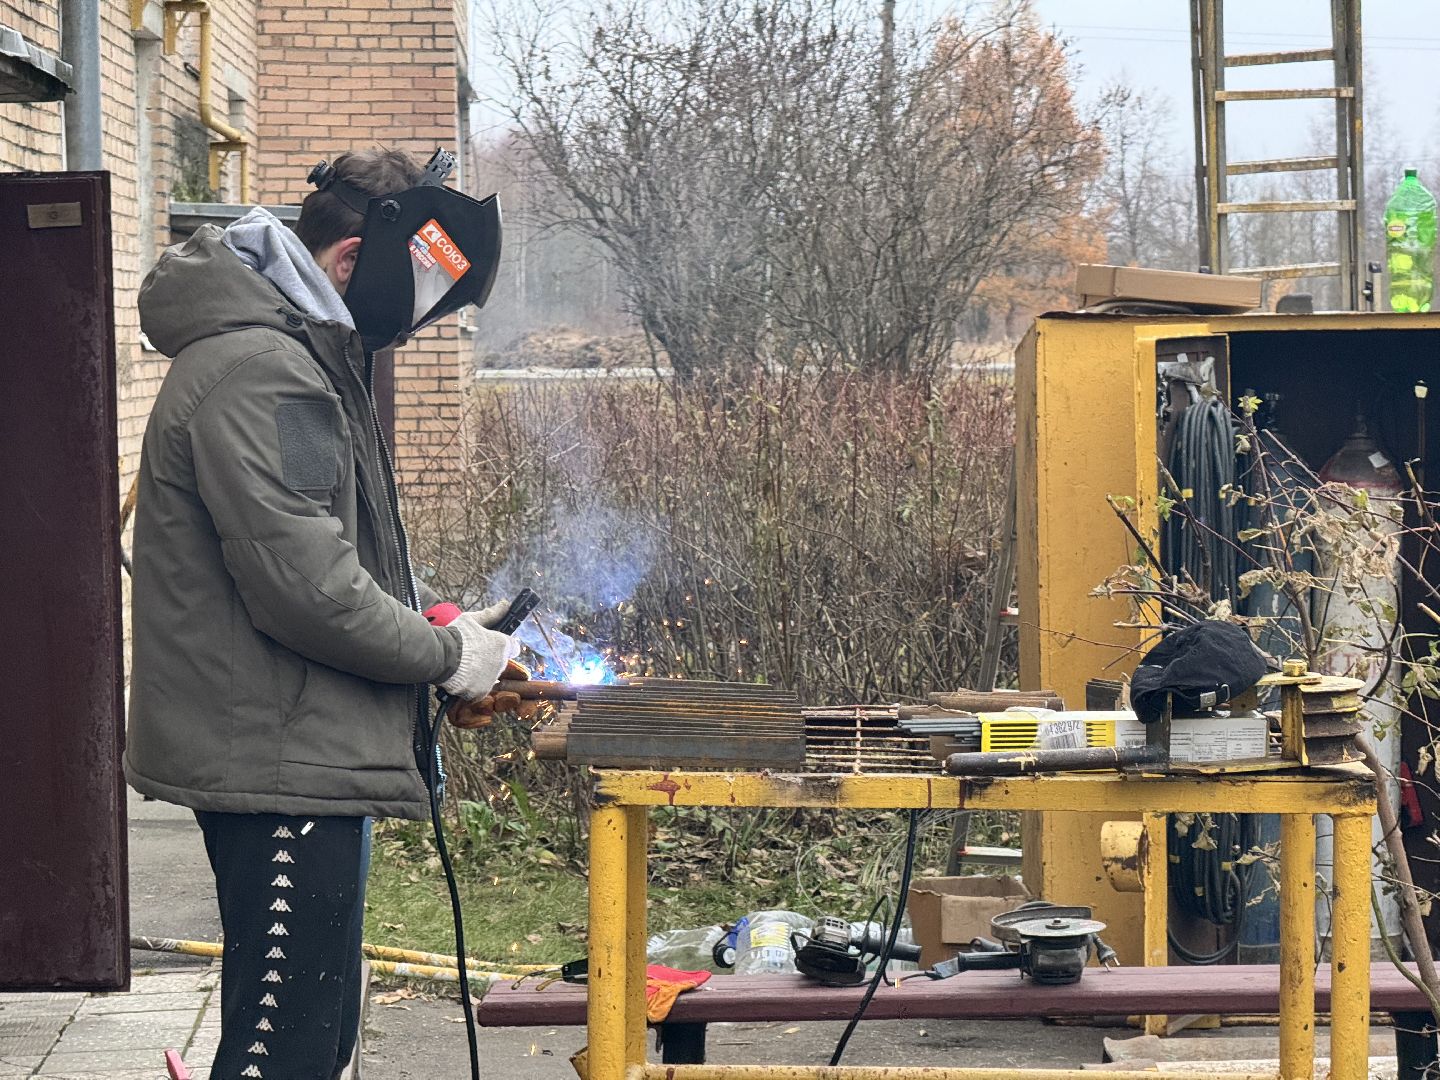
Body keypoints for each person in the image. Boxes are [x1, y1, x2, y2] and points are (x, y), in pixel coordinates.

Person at [124, 148, 512, 1080]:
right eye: (419, 302)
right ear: (348, 259)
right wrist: (442, 654)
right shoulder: (267, 372)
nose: (414, 331)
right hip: (278, 761)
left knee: (316, 1036)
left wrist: (435, 630)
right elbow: (305, 587)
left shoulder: (288, 358)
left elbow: (326, 557)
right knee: (283, 1050)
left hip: (301, 750)